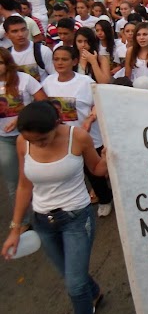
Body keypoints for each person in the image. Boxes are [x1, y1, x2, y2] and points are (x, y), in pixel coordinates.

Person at [1, 101, 108, 314]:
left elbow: (97, 169)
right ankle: (96, 292)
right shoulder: (23, 142)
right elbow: (23, 185)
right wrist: (15, 228)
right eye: (31, 140)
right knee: (69, 275)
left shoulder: (78, 137)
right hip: (43, 222)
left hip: (77, 218)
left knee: (75, 286)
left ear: (56, 124)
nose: (36, 144)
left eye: (42, 139)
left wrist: (108, 160)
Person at [42, 46, 113, 217]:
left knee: (94, 172)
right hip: (59, 139)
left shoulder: (85, 81)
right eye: (56, 59)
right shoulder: (47, 82)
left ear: (74, 61)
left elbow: (99, 102)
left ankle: (105, 199)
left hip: (88, 137)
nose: (59, 63)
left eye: (64, 59)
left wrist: (90, 119)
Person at [0, 47, 47, 226]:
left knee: (38, 177)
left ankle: (44, 213)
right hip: (4, 139)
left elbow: (43, 101)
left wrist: (21, 117)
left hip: (29, 137)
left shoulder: (25, 79)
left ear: (7, 63)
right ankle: (23, 220)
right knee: (14, 182)